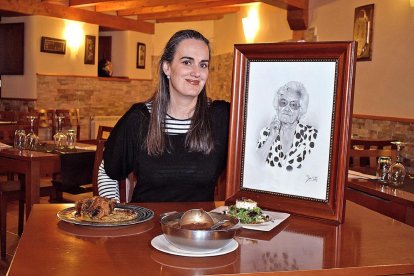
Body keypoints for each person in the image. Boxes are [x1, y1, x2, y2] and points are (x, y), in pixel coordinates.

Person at [100, 29, 230, 202]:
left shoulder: (222, 117)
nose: (196, 72)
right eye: (187, 62)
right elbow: (107, 171)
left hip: (200, 226)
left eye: (203, 64)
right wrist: (113, 216)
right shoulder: (139, 118)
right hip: (146, 225)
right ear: (167, 67)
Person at [257, 81, 318, 171]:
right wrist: (271, 137)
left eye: (293, 105)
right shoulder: (266, 133)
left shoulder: (312, 135)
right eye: (283, 103)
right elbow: (254, 167)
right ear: (278, 106)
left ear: (300, 111)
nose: (287, 109)